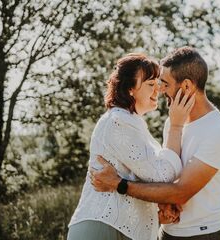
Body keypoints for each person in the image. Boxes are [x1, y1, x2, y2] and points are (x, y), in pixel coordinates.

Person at [91, 47, 220, 240]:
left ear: (186, 86)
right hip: (166, 233)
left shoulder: (218, 131)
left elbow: (180, 193)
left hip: (202, 234)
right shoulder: (174, 121)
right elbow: (164, 176)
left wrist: (119, 184)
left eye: (165, 84)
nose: (160, 90)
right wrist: (163, 204)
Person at [67, 53, 195, 240]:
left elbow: (142, 179)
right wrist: (176, 125)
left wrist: (161, 205)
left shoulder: (133, 124)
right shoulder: (118, 121)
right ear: (129, 89)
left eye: (158, 84)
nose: (157, 90)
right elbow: (162, 175)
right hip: (104, 228)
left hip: (119, 230)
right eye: (151, 84)